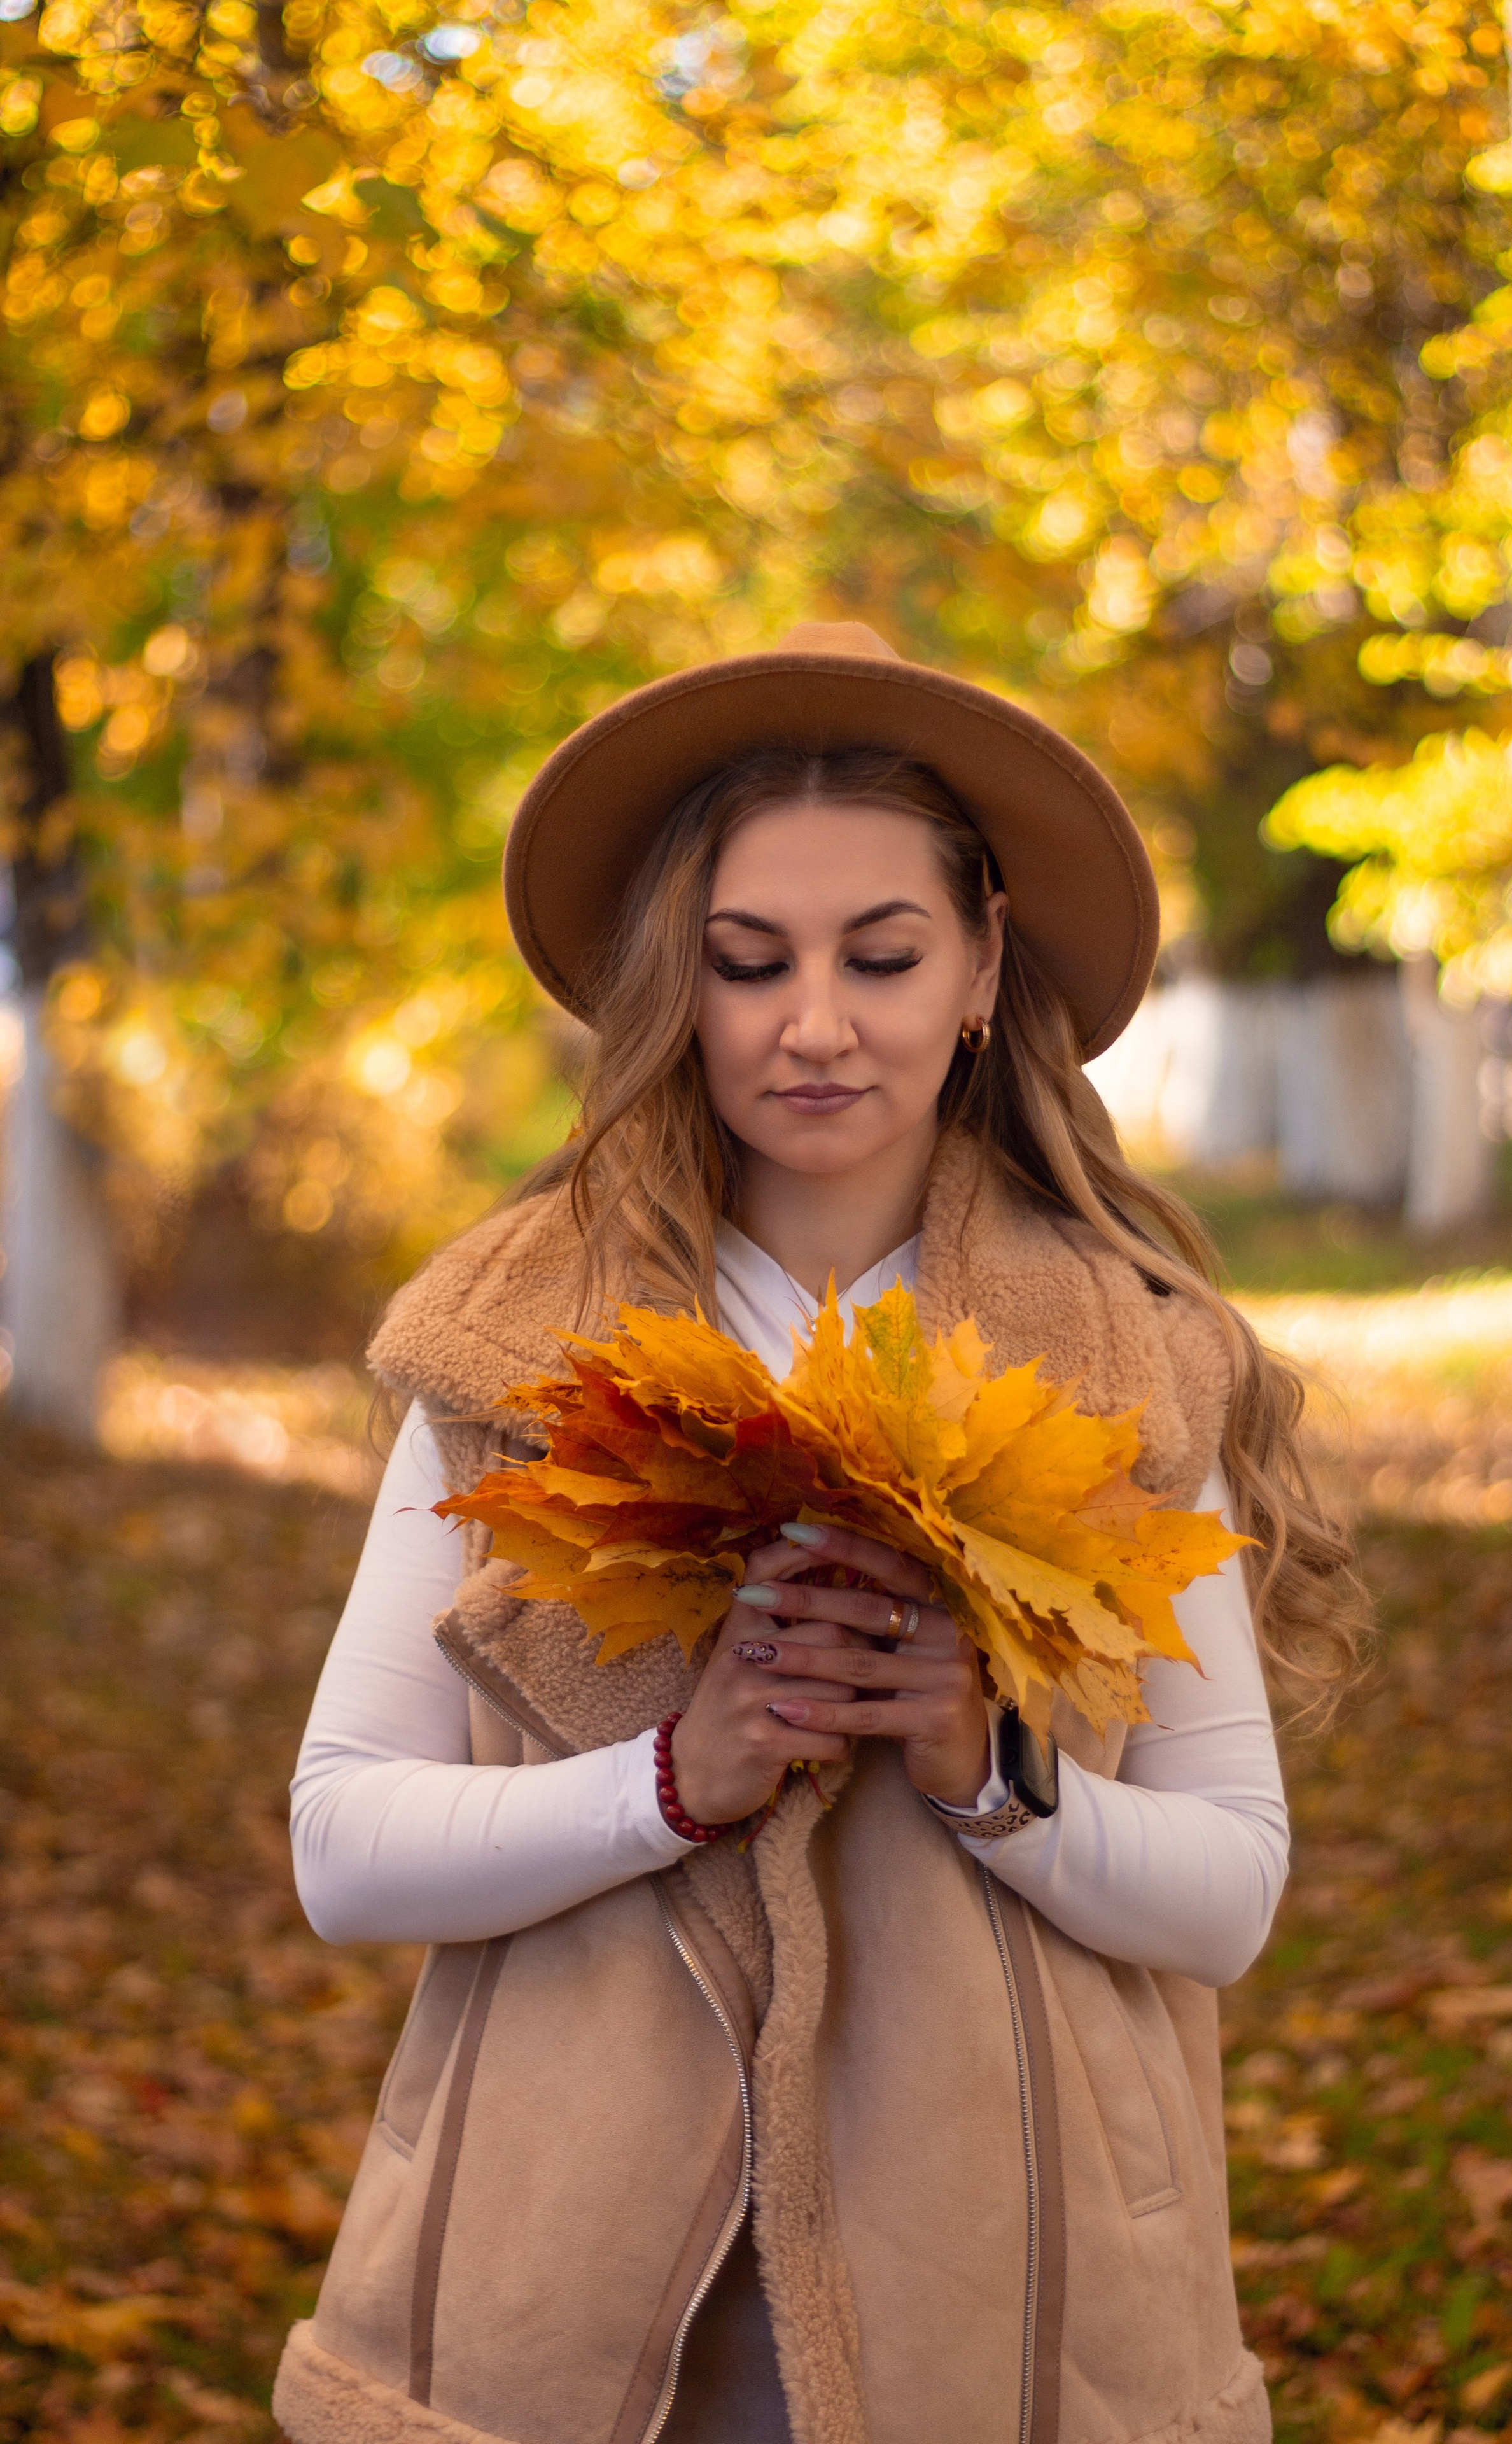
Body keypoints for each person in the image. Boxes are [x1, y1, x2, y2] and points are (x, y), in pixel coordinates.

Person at [273, 622, 1366, 2444]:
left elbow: (1231, 1888)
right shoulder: (513, 1342)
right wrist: (674, 1784)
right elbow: (345, 1845)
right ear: (672, 989)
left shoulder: (1123, 1358)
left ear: (983, 968)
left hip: (1021, 2306)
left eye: (882, 955)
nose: (816, 1023)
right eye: (747, 961)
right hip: (584, 2303)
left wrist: (985, 1769)